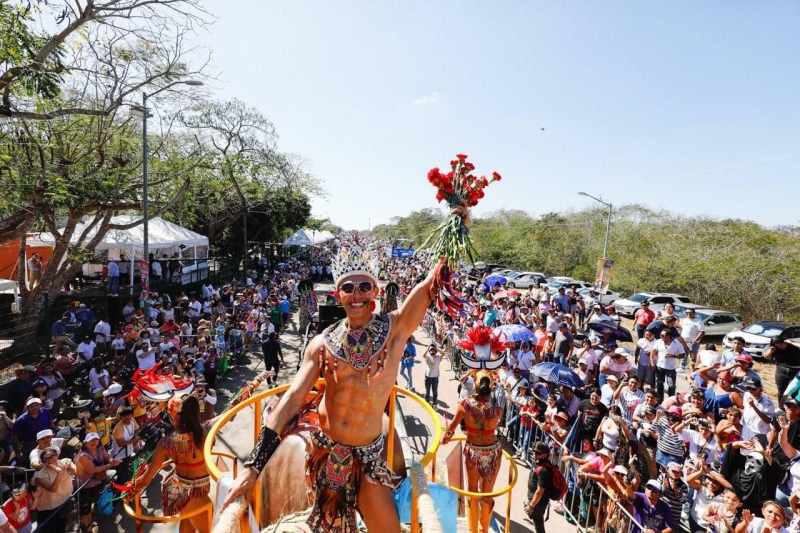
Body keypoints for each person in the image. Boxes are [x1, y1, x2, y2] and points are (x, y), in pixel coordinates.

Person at [222, 225, 472, 530]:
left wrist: (455, 232)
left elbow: (428, 287)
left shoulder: (394, 331)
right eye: (348, 287)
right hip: (325, 452)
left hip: (369, 460)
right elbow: (291, 400)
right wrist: (252, 468)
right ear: (338, 294)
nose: (356, 294)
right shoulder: (321, 344)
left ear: (376, 292)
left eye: (364, 287)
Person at [134, 395, 213, 533]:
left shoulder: (165, 443)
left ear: (173, 418)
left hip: (176, 490)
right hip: (193, 494)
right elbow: (229, 410)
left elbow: (145, 480)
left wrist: (131, 488)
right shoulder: (205, 431)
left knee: (188, 525)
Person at [441, 370, 504, 533]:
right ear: (491, 387)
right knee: (487, 494)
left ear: (475, 385)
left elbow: (451, 430)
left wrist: (445, 436)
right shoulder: (498, 410)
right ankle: (484, 530)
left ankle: (473, 530)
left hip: (474, 452)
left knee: (472, 491)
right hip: (493, 452)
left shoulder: (464, 405)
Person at [76, 432, 120, 532]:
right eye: (90, 441)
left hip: (96, 481)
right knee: (85, 508)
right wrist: (109, 465)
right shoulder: (83, 455)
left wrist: (111, 460)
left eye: (95, 440)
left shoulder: (100, 448)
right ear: (85, 443)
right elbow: (92, 470)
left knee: (93, 499)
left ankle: (89, 522)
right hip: (84, 485)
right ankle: (88, 529)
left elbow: (107, 456)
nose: (93, 442)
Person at [31, 446, 78, 533]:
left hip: (64, 502)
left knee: (61, 528)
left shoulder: (65, 462)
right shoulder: (40, 476)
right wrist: (59, 473)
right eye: (46, 460)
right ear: (43, 462)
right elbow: (53, 489)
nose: (50, 460)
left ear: (57, 455)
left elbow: (77, 472)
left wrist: (79, 460)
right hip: (48, 510)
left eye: (52, 456)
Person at [525, 441, 559, 533]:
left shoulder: (545, 470)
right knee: (536, 521)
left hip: (538, 503)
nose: (534, 454)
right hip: (535, 500)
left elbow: (540, 491)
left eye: (538, 453)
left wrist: (531, 506)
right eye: (534, 451)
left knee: (538, 524)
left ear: (545, 455)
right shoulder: (539, 463)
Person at [11, 398, 55, 467]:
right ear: (27, 407)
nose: (34, 407)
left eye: (36, 405)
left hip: (46, 440)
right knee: (32, 462)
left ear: (40, 405)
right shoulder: (21, 420)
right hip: (29, 444)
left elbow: (51, 423)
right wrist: (18, 452)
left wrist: (53, 435)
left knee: (49, 457)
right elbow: (14, 436)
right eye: (31, 406)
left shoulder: (45, 411)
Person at [764, 337, 800, 405]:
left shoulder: (793, 345)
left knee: (795, 391)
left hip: (795, 370)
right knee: (781, 390)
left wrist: (791, 342)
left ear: (785, 342)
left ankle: (796, 407)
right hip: (781, 371)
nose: (781, 346)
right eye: (778, 345)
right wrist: (771, 350)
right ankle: (782, 407)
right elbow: (765, 356)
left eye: (782, 344)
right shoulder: (775, 349)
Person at [651, 329, 684, 398]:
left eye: (662, 335)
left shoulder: (677, 344)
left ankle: (670, 398)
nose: (660, 336)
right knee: (659, 383)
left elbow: (683, 355)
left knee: (671, 385)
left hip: (670, 368)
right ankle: (660, 397)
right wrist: (652, 362)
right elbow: (653, 352)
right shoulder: (658, 342)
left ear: (668, 336)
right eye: (660, 335)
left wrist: (674, 356)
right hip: (659, 366)